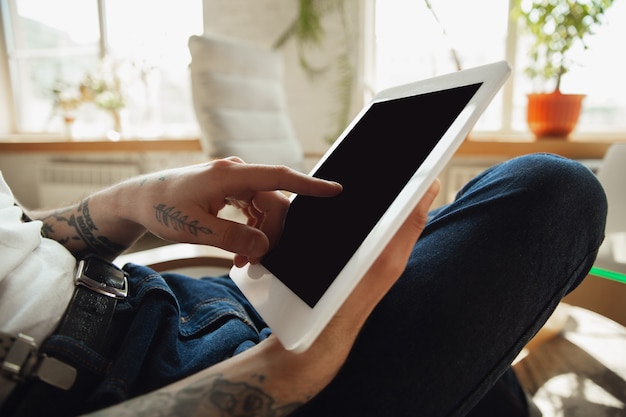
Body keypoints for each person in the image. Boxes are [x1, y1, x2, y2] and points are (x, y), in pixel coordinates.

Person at [0, 153, 607, 417]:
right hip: (174, 391)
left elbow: (20, 248)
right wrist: (295, 367)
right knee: (549, 191)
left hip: (166, 300)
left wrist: (129, 202)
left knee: (474, 358)